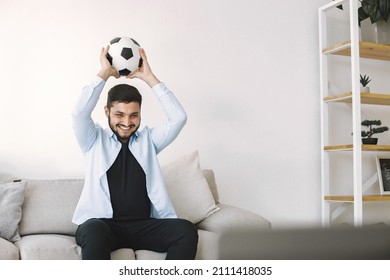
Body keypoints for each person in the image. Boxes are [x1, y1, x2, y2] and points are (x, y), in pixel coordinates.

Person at [71, 46, 198, 260]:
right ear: (107, 112)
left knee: (186, 231)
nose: (127, 123)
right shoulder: (93, 140)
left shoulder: (149, 140)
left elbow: (178, 118)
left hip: (143, 226)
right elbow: (79, 113)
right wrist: (104, 73)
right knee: (93, 231)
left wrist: (148, 77)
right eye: (119, 114)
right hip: (103, 226)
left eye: (134, 116)